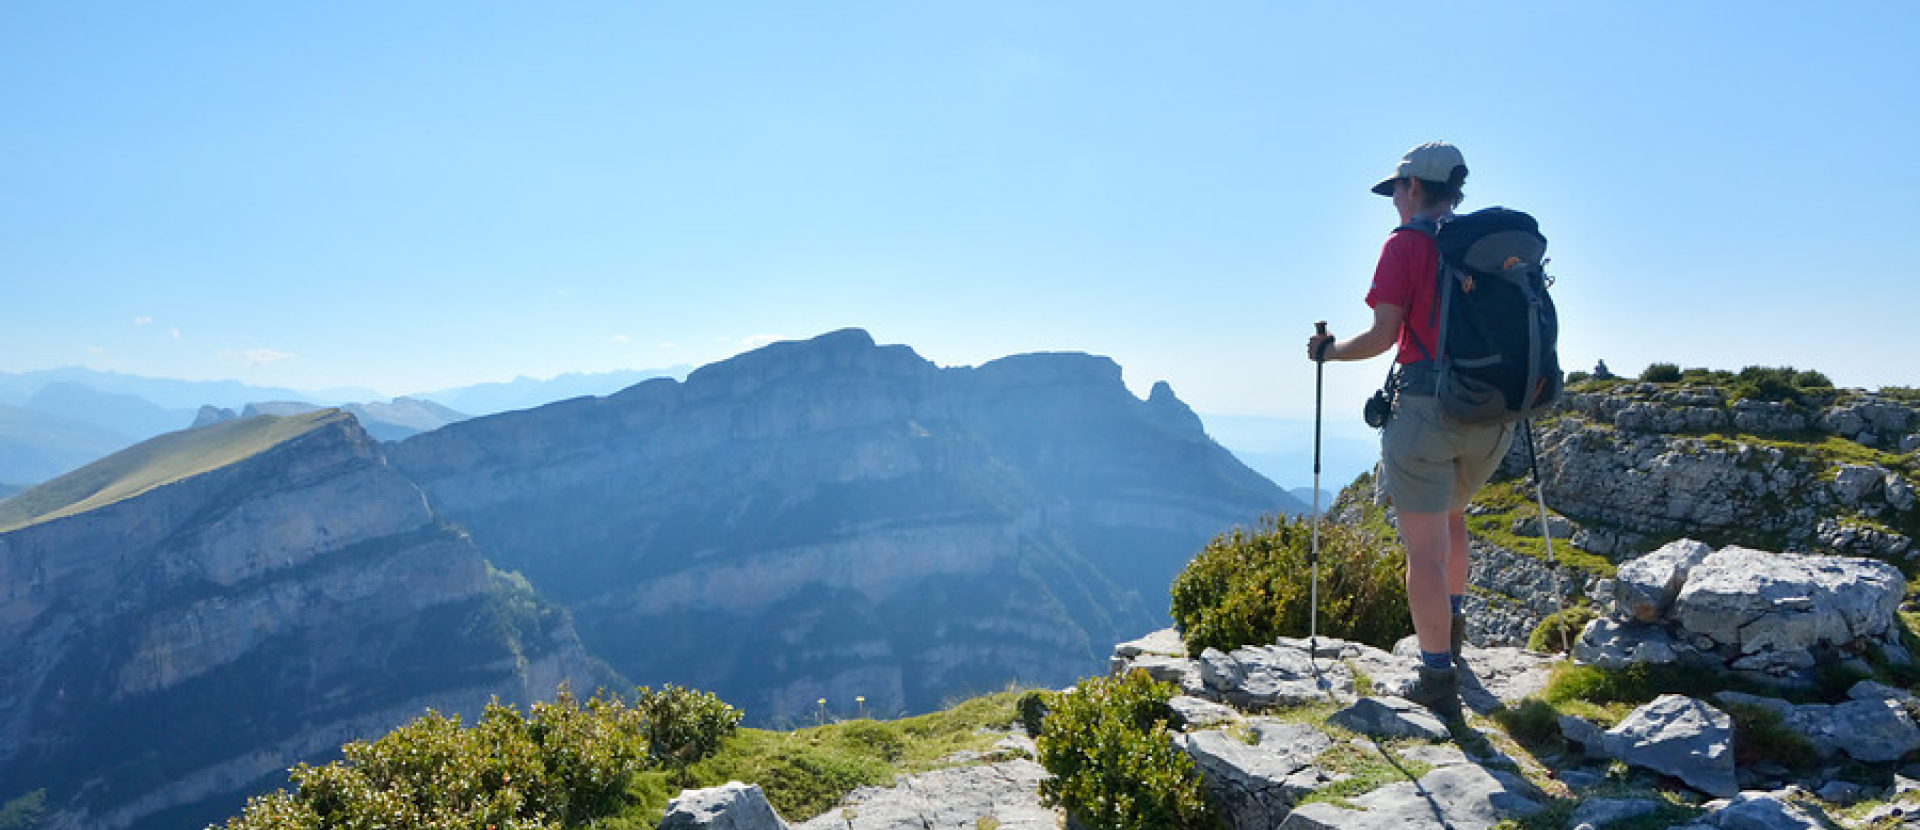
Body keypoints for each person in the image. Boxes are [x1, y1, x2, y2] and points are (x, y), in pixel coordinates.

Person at [1305, 141, 1515, 721]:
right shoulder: (1480, 247)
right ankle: (1454, 628)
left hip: (1427, 409)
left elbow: (1382, 337)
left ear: (1415, 188)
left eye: (1396, 189)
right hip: (1491, 416)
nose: (1394, 199)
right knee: (1453, 518)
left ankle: (1436, 674)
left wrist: (1328, 353)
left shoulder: (1405, 245)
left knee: (1422, 549)